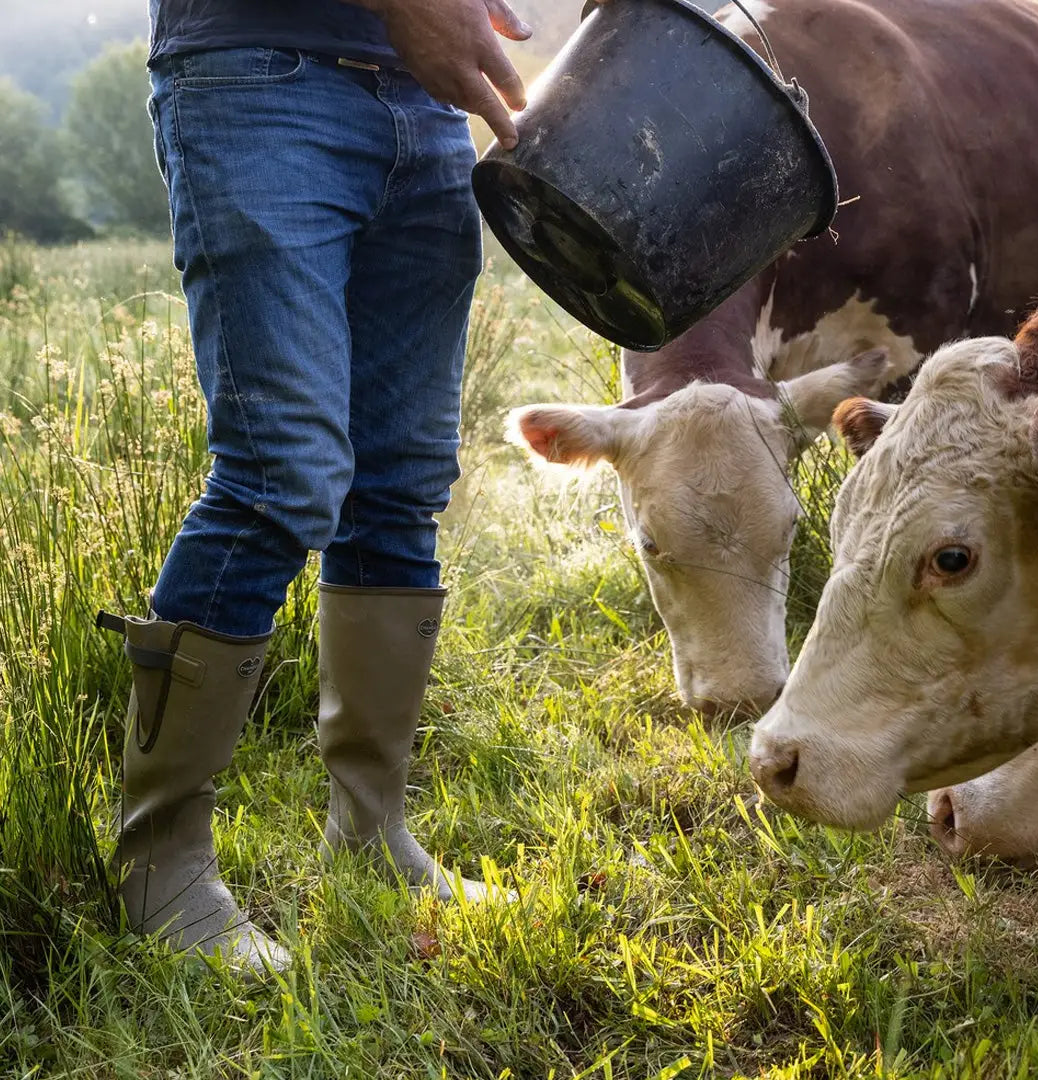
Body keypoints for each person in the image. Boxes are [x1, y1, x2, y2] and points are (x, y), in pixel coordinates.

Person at [99, 0, 606, 974]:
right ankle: (158, 863)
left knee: (400, 481)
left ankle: (371, 836)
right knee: (279, 471)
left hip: (422, 107)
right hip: (256, 76)